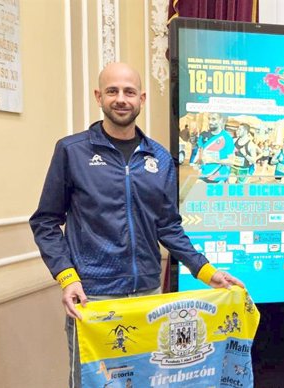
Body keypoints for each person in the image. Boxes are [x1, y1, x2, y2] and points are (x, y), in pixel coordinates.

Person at [29, 62, 244, 388]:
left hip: (147, 294)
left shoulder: (158, 158)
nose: (121, 99)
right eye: (112, 91)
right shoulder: (72, 152)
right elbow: (45, 221)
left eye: (129, 92)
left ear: (141, 98)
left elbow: (169, 227)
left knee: (145, 381)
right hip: (93, 299)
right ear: (99, 96)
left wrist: (206, 271)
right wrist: (66, 277)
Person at [193, 112, 235, 183]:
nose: (210, 122)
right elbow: (200, 154)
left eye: (213, 119)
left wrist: (213, 160)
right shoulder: (203, 135)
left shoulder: (227, 138)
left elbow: (231, 161)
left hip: (219, 177)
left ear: (220, 121)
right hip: (204, 175)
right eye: (209, 119)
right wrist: (198, 164)